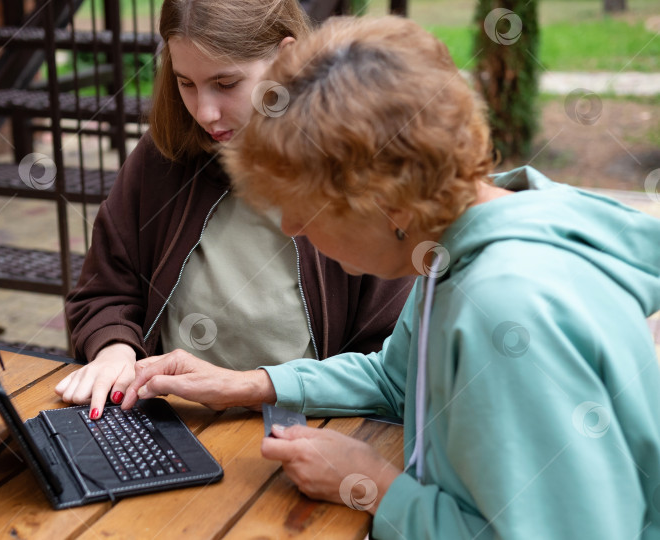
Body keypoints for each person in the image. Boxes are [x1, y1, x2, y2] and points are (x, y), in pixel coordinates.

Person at [118, 15, 660, 539]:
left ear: (387, 201)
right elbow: (396, 380)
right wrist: (247, 385)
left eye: (303, 209)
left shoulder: (507, 308)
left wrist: (376, 487)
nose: (290, 227)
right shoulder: (457, 247)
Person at [56, 0, 414, 421]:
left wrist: (259, 390)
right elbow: (104, 292)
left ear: (286, 57)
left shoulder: (355, 167)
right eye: (185, 83)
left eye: (225, 83)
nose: (205, 112)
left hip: (304, 429)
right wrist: (114, 349)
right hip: (167, 423)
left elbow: (392, 366)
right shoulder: (163, 158)